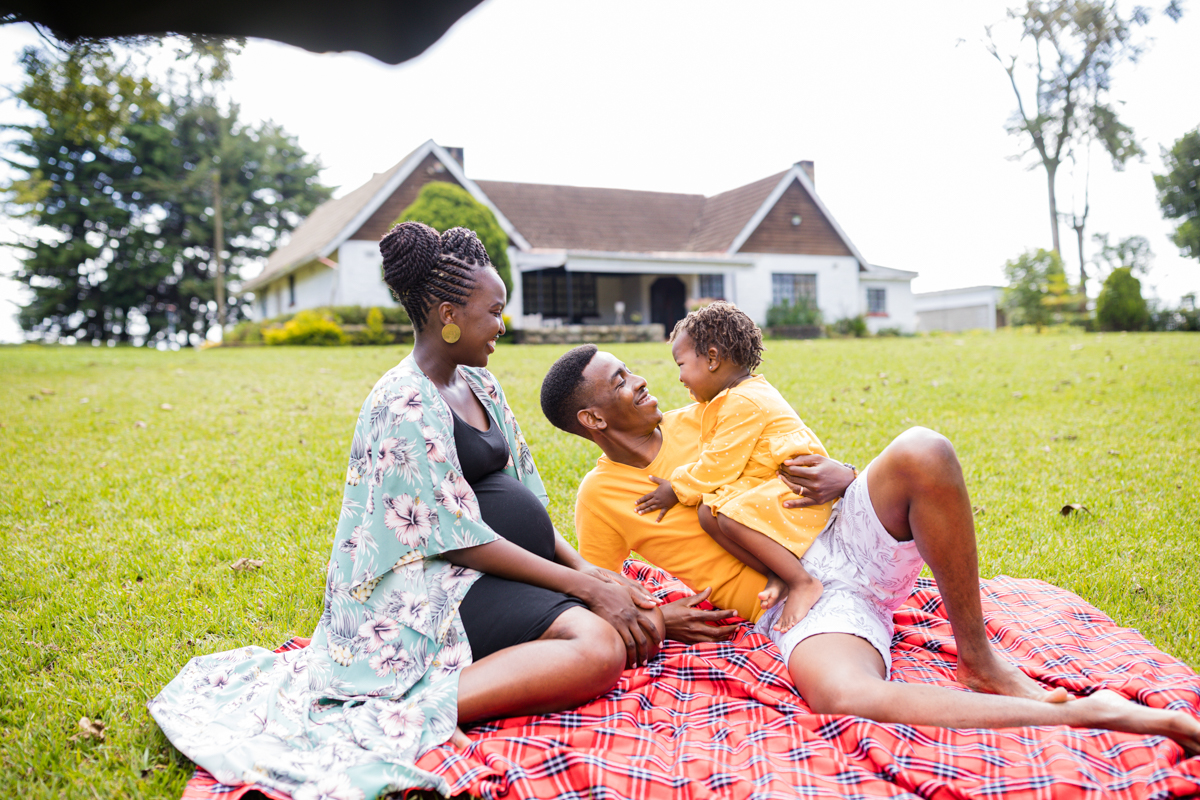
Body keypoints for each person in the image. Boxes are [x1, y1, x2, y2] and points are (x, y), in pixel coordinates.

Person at [150, 225, 663, 800]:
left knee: (622, 615)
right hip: (421, 589)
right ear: (448, 313)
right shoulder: (402, 401)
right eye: (492, 311)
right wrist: (584, 588)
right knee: (597, 649)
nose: (501, 324)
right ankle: (412, 708)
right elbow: (449, 536)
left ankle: (570, 624)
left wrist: (592, 577)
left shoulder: (480, 384)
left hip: (485, 576)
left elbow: (527, 496)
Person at [539, 345, 1200, 753]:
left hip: (842, 535)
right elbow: (606, 592)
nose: (643, 383)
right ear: (593, 420)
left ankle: (980, 657)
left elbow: (804, 462)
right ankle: (1084, 717)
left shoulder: (712, 413)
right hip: (797, 607)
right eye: (621, 380)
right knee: (839, 694)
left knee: (922, 447)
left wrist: (850, 475)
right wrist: (662, 616)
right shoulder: (600, 498)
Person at [634, 302, 834, 631]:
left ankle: (801, 581)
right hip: (770, 486)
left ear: (712, 358)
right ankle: (778, 572)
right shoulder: (736, 396)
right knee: (709, 512)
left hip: (799, 495)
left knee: (723, 512)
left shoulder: (745, 402)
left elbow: (718, 467)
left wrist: (676, 487)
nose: (681, 377)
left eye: (681, 364)